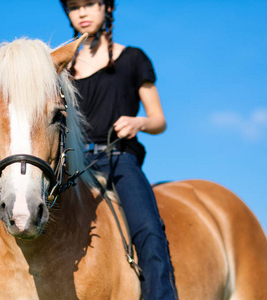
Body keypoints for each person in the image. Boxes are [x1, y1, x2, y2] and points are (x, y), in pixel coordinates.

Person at [59, 0, 178, 299]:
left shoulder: (133, 58)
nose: (82, 13)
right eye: (74, 7)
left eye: (89, 4)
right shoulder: (59, 65)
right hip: (72, 163)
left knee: (149, 229)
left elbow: (159, 120)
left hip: (118, 158)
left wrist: (139, 122)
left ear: (107, 7)